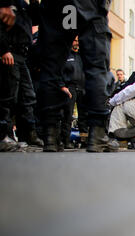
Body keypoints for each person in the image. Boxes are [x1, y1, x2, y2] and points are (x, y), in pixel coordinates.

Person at [37, 0, 118, 152]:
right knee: (96, 67)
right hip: (88, 5)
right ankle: (97, 133)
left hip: (55, 6)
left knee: (51, 68)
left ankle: (50, 136)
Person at [0, 0, 43, 151]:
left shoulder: (23, 6)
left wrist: (34, 2)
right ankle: (4, 136)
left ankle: (28, 135)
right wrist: (3, 49)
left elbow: (37, 17)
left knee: (28, 96)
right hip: (9, 52)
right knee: (8, 96)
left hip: (23, 55)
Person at [60, 36, 85, 149]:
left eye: (78, 41)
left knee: (84, 116)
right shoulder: (65, 55)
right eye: (75, 40)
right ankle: (65, 140)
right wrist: (63, 86)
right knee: (67, 115)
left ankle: (85, 140)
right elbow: (59, 71)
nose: (77, 43)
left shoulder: (82, 56)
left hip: (82, 88)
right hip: (70, 87)